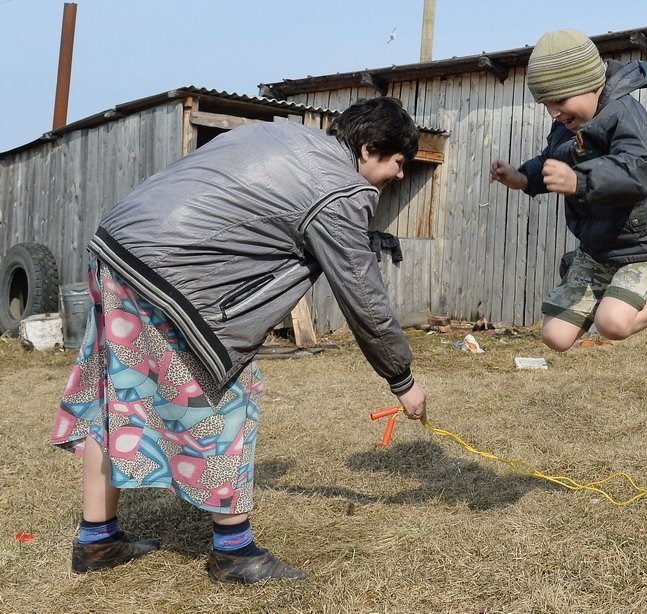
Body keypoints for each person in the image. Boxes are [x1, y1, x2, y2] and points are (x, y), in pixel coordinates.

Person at [51, 97, 428, 583]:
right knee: (229, 394)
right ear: (369, 148)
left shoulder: (284, 136)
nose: (400, 175)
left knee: (114, 395)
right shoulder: (340, 189)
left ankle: (97, 540)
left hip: (117, 248)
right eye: (398, 163)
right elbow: (362, 295)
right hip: (167, 273)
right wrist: (402, 378)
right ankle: (234, 551)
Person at [490, 29, 647, 353]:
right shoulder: (567, 125)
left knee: (613, 324)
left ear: (592, 86)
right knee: (555, 336)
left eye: (560, 101)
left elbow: (637, 170)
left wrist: (579, 181)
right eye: (547, 104)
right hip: (597, 249)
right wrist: (523, 177)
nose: (553, 112)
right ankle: (602, 287)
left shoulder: (625, 116)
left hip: (644, 247)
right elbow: (550, 160)